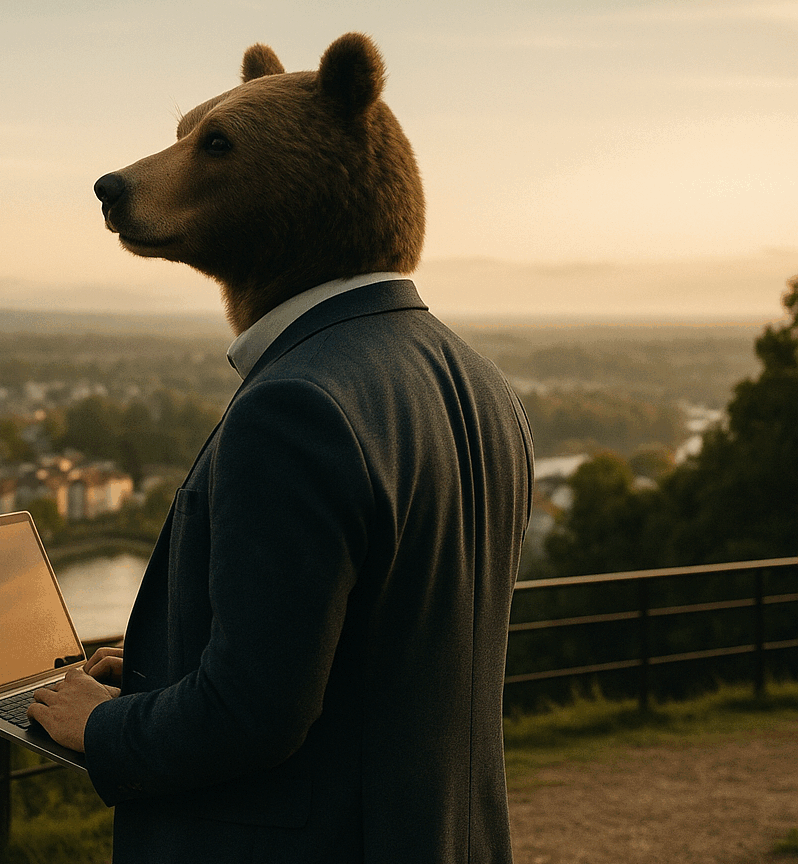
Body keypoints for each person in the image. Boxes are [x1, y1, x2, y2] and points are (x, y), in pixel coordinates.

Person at [27, 33, 534, 860]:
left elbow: (254, 714)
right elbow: (377, 643)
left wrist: (108, 727)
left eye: (216, 148)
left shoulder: (296, 403)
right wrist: (167, 662)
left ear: (331, 165)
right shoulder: (478, 383)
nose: (132, 176)